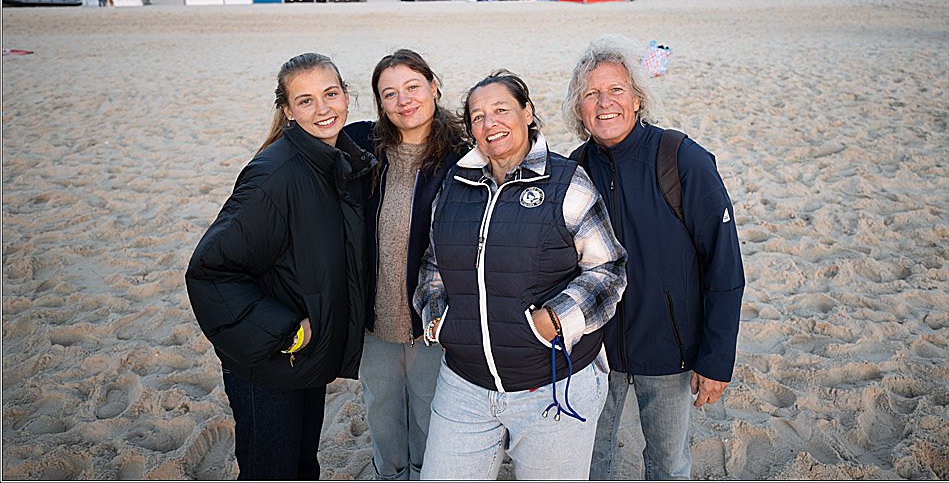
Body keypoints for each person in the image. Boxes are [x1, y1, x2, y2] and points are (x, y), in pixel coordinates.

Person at [414, 71, 627, 480]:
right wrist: (437, 320)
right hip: (465, 385)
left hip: (552, 386)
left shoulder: (567, 182)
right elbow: (433, 263)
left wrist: (556, 321)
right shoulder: (455, 187)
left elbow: (608, 269)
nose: (489, 123)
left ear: (527, 113)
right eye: (477, 116)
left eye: (500, 110)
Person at [561, 35, 744, 481]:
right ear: (579, 109)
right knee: (588, 463)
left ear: (638, 98)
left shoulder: (682, 159)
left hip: (670, 350)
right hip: (594, 350)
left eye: (616, 90)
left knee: (667, 466)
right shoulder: (574, 167)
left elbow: (725, 267)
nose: (604, 103)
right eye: (591, 94)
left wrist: (715, 360)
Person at [186, 53, 375, 480]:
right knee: (272, 471)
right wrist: (286, 331)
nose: (323, 109)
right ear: (288, 111)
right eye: (305, 101)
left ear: (347, 95)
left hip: (301, 359)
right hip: (269, 362)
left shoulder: (335, 161)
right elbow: (210, 271)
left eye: (330, 94)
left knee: (301, 467)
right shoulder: (277, 175)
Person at [345, 50, 467, 481]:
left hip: (433, 323)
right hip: (374, 322)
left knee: (430, 419)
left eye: (413, 87)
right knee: (382, 418)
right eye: (389, 94)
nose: (404, 101)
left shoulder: (464, 158)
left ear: (434, 87)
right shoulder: (360, 148)